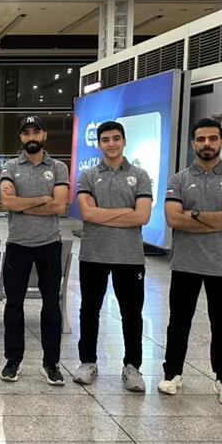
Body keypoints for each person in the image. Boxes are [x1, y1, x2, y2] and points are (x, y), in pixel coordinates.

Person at [159, 118, 222, 406]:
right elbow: (173, 219)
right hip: (185, 263)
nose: (206, 144)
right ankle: (172, 373)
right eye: (201, 139)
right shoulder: (179, 179)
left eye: (212, 138)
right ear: (193, 144)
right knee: (178, 323)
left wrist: (194, 214)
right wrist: (220, 218)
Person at [73, 121, 152, 392]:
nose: (111, 143)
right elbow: (87, 214)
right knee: (89, 310)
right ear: (99, 144)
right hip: (93, 254)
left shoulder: (140, 175)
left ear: (124, 141)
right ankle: (88, 362)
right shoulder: (88, 175)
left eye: (116, 138)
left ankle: (132, 367)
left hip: (129, 256)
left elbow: (142, 216)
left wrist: (102, 215)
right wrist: (126, 212)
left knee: (131, 313)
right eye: (105, 139)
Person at [0, 116, 70, 385]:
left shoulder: (59, 167)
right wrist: (42, 199)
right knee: (13, 305)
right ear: (21, 137)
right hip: (18, 245)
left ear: (44, 135)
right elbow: (7, 203)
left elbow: (59, 206)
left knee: (51, 304)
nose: (31, 137)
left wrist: (22, 204)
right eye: (26, 132)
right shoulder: (10, 166)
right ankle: (13, 360)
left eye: (36, 132)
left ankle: (51, 363)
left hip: (49, 245)